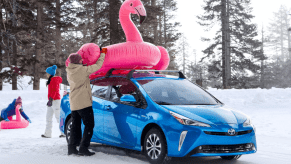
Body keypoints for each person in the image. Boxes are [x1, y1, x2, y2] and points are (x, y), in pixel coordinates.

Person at [66, 51, 105, 156]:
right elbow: (98, 66)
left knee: (75, 126)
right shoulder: (83, 70)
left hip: (74, 103)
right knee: (89, 125)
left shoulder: (69, 71)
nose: (82, 61)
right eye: (80, 60)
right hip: (83, 103)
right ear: (78, 61)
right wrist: (103, 54)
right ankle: (83, 148)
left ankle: (72, 148)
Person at [41, 65, 65, 138]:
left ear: (50, 73)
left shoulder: (54, 80)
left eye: (47, 73)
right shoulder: (50, 80)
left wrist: (51, 99)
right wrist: (50, 100)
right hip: (51, 100)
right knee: (48, 117)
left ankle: (63, 133)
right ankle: (47, 133)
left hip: (55, 101)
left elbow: (55, 90)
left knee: (58, 117)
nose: (46, 74)